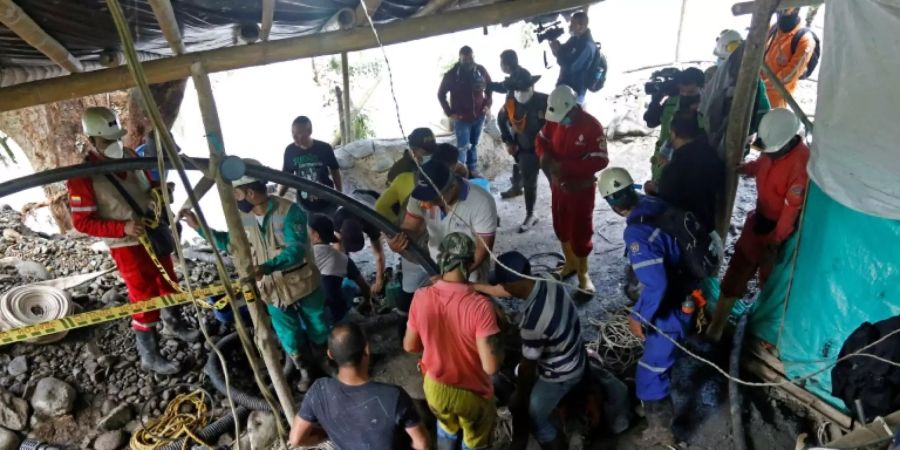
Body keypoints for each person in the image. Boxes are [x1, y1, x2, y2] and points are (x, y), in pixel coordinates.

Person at [67, 107, 197, 376]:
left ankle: (175, 323)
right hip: (126, 245)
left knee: (168, 279)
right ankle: (149, 354)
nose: (114, 144)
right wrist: (121, 227)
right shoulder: (82, 176)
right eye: (106, 141)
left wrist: (161, 192)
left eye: (116, 138)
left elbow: (147, 185)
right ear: (91, 140)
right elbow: (81, 223)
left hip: (151, 231)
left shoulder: (127, 155)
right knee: (143, 294)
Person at [181, 161, 328, 391]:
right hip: (272, 290)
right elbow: (231, 244)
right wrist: (199, 228)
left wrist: (266, 267)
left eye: (236, 194)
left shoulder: (290, 211)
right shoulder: (243, 218)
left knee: (318, 325)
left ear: (249, 192)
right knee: (288, 334)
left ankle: (325, 361)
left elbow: (296, 250)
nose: (235, 199)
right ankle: (306, 371)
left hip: (302, 282)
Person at [598, 167, 698, 447]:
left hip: (673, 305)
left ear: (612, 205)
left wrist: (637, 316)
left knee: (649, 374)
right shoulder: (654, 203)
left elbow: (656, 285)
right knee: (659, 358)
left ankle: (662, 432)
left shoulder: (637, 233)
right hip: (687, 289)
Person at [706, 108, 810, 341]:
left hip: (780, 230)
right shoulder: (772, 145)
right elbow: (763, 163)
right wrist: (748, 168)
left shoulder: (801, 165)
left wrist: (775, 242)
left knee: (771, 280)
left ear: (790, 141)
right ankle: (717, 326)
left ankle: (764, 329)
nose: (769, 154)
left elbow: (790, 211)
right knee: (738, 268)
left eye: (773, 152)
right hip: (759, 218)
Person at [404, 232, 502, 450]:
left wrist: (433, 345)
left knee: (446, 426)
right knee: (474, 440)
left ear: (442, 260)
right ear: (469, 263)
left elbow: (409, 345)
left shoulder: (421, 296)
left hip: (435, 387)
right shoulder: (480, 307)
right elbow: (491, 366)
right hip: (472, 393)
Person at [480, 251, 586, 450]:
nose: (500, 287)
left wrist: (519, 396)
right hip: (574, 348)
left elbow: (528, 367)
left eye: (502, 283)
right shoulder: (547, 279)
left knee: (533, 412)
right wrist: (473, 287)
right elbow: (505, 290)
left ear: (510, 285)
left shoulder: (533, 323)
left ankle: (553, 443)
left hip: (562, 372)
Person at [290, 323, 429, 450]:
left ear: (330, 354)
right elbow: (421, 443)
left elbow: (296, 439)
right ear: (367, 350)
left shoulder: (318, 390)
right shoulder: (393, 396)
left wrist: (328, 435)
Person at [536, 85, 609, 297]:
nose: (560, 121)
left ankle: (584, 275)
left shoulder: (592, 126)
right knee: (560, 224)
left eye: (564, 117)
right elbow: (541, 139)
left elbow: (601, 159)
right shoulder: (553, 119)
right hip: (558, 186)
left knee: (581, 230)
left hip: (581, 189)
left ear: (573, 108)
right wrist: (544, 155)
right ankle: (569, 264)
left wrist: (567, 167)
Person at [387, 158, 498, 284]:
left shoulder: (482, 202)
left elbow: (481, 250)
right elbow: (410, 228)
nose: (425, 204)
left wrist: (455, 276)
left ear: (452, 186)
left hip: (471, 270)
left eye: (433, 199)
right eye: (425, 198)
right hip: (436, 265)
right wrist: (398, 242)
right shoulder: (421, 197)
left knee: (474, 302)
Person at [647, 111, 725, 232]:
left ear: (673, 134)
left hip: (685, 233)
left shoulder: (673, 170)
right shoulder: (711, 154)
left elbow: (666, 205)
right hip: (707, 225)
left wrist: (653, 192)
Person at [701, 32, 771, 158]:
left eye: (722, 59)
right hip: (716, 135)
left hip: (738, 136)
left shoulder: (753, 83)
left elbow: (763, 111)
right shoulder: (713, 76)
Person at [498, 67, 548, 233]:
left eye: (526, 88)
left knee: (557, 182)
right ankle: (530, 214)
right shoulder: (510, 104)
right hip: (526, 150)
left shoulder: (545, 100)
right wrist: (509, 141)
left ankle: (564, 212)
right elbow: (501, 120)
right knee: (529, 183)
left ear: (532, 85)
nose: (523, 92)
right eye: (519, 89)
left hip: (549, 150)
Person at [644, 67, 706, 183]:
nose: (686, 95)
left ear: (702, 88)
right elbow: (651, 121)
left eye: (691, 92)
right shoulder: (672, 102)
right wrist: (657, 98)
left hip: (687, 173)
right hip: (661, 168)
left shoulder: (706, 109)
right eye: (682, 91)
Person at [438, 46, 493, 177]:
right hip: (461, 119)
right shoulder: (451, 75)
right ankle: (462, 173)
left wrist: (487, 104)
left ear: (474, 57)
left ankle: (472, 169)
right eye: (465, 59)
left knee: (473, 144)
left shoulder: (480, 70)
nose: (468, 61)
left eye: (471, 58)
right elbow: (441, 94)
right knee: (462, 147)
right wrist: (450, 113)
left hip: (479, 116)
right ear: (460, 59)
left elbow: (490, 87)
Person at [309, 214, 372, 323]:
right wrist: (367, 301)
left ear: (316, 235)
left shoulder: (303, 255)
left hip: (309, 317)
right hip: (334, 314)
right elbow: (365, 287)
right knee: (349, 283)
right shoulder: (343, 259)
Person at [278, 115, 342, 214]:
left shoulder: (324, 148)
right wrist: (280, 195)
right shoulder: (290, 151)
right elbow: (287, 175)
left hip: (328, 202)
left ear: (309, 131)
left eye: (298, 133)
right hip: (304, 204)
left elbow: (335, 170)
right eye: (293, 133)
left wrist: (339, 194)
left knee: (329, 227)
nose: (294, 137)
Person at [763, 7, 816, 109]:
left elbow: (789, 75)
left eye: (785, 9)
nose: (781, 11)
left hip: (774, 105)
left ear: (796, 9)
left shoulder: (804, 39)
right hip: (756, 95)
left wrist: (760, 85)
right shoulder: (774, 28)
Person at [549, 11, 596, 104]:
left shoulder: (587, 46)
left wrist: (558, 52)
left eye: (573, 24)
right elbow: (562, 52)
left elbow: (570, 67)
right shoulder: (575, 38)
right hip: (565, 88)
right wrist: (555, 46)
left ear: (581, 26)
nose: (570, 26)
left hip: (575, 93)